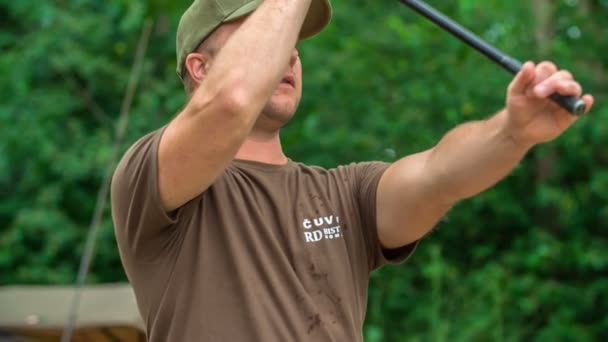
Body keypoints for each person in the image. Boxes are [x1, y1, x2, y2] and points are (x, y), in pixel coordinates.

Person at [110, 0, 594, 341]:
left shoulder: (343, 191)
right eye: (266, 32)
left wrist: (513, 130)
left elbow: (439, 175)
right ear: (199, 67)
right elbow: (231, 100)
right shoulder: (150, 177)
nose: (290, 52)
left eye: (293, 40)